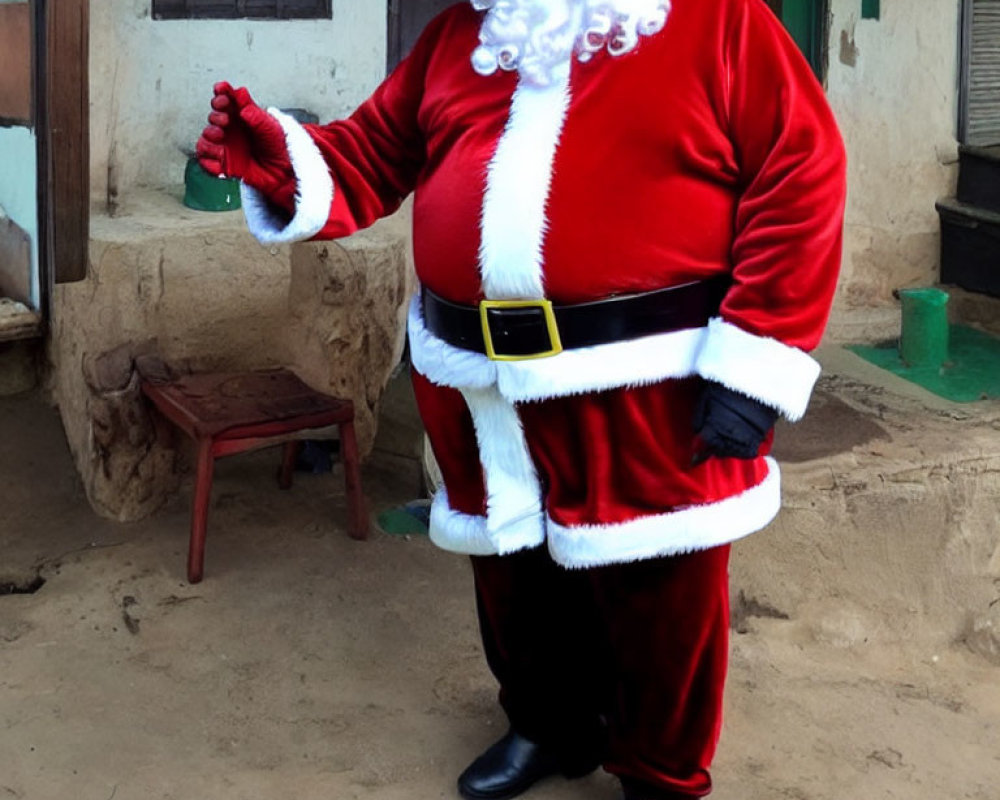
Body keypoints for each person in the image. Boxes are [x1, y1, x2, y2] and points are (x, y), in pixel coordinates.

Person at [196, 1, 847, 798]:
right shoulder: (458, 36)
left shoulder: (721, 21)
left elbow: (801, 170)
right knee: (514, 574)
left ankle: (658, 771)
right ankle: (548, 726)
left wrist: (755, 360)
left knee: (659, 595)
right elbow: (370, 155)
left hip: (644, 381)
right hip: (480, 385)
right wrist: (283, 158)